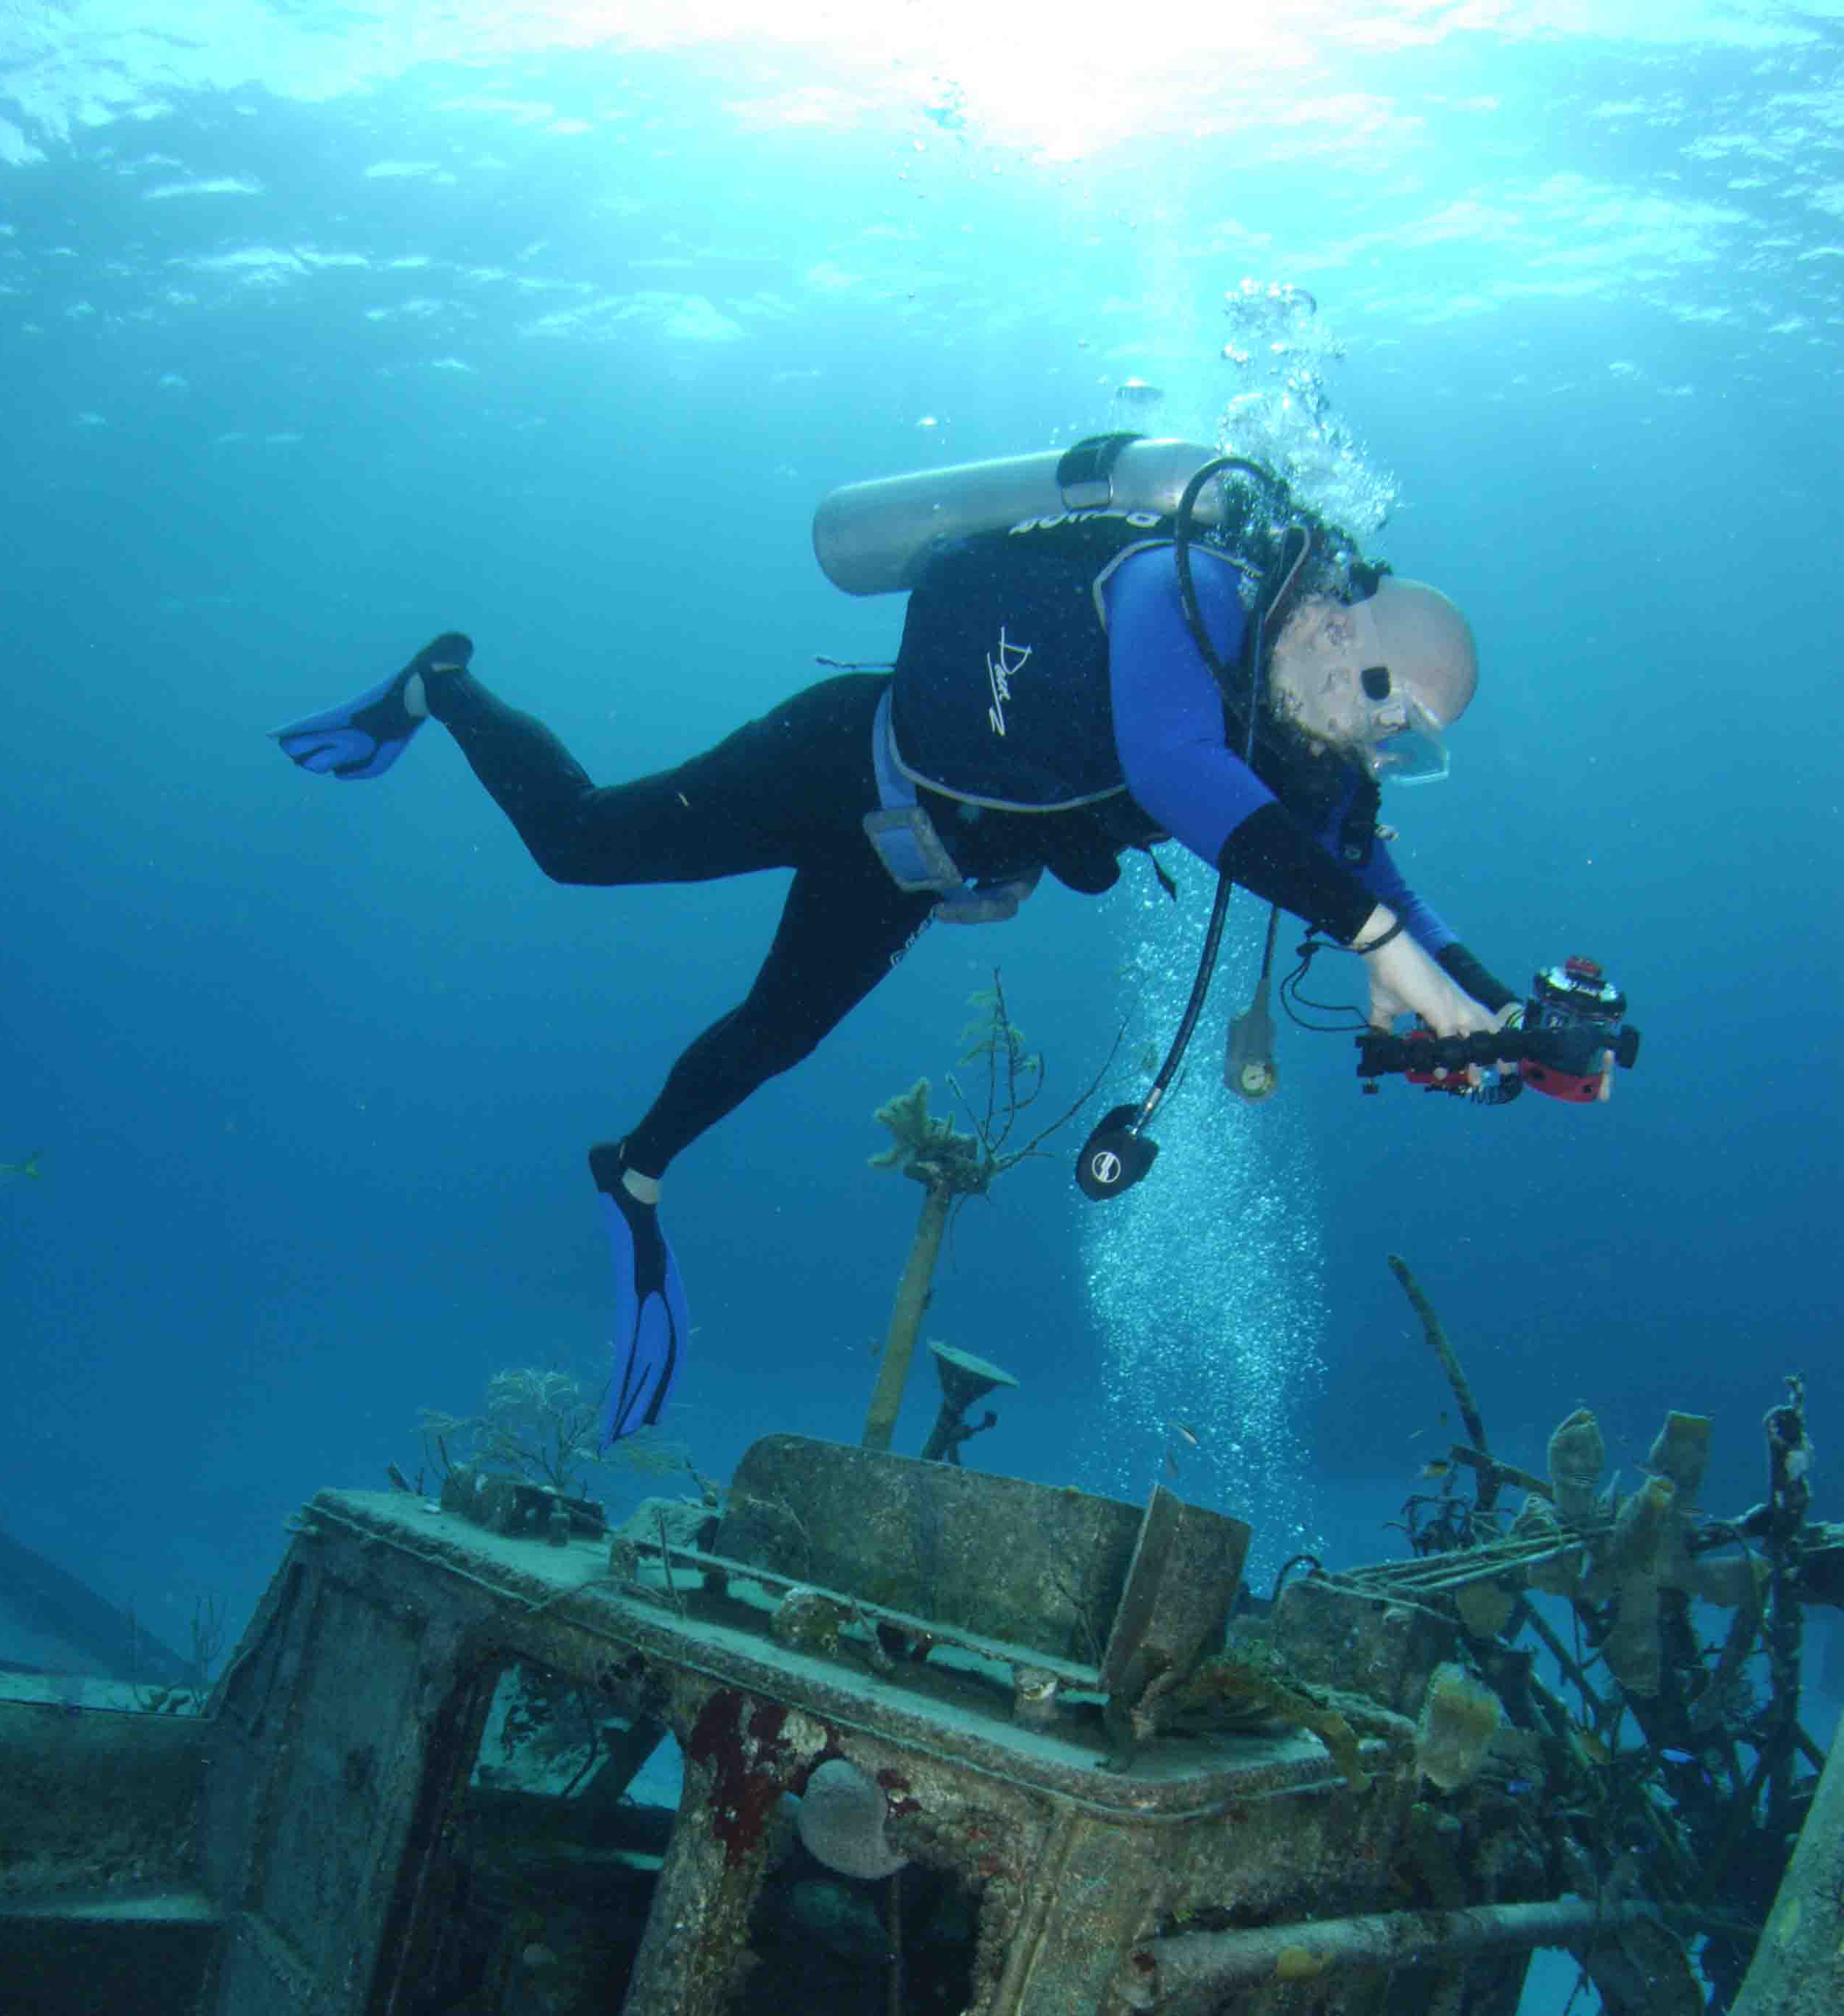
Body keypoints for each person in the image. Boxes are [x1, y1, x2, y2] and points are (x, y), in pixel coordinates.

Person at [274, 487, 1501, 1442]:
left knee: (777, 1033)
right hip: (838, 758)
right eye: (1391, 719)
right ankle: (442, 687)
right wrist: (1381, 945)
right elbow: (1179, 770)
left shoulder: (1305, 746)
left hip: (908, 864)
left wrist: (1494, 1015)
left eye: (1406, 746)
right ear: (1343, 632)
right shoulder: (1185, 589)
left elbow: (1388, 888)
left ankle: (633, 1179)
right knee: (583, 846)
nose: (1383, 754)